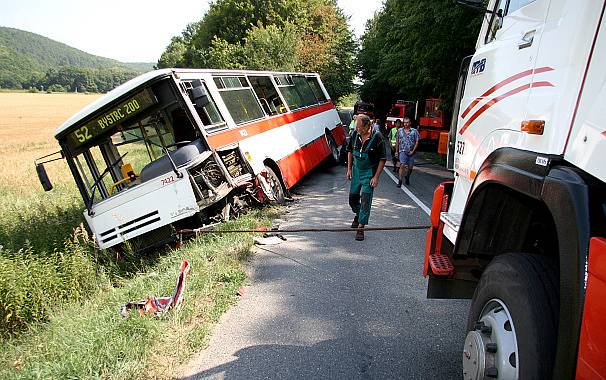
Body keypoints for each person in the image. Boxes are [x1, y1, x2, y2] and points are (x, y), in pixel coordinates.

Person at [346, 114, 387, 241]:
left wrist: (376, 177)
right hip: (356, 171)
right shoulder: (355, 134)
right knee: (352, 199)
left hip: (369, 173)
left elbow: (382, 159)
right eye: (356, 127)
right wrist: (349, 169)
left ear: (367, 125)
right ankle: (359, 215)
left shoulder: (377, 137)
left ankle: (361, 228)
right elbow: (349, 151)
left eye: (359, 127)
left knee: (365, 200)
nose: (357, 129)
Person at [396, 117, 420, 187]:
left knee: (410, 168)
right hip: (402, 150)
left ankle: (407, 176)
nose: (405, 124)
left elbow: (417, 141)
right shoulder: (400, 130)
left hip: (411, 151)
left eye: (407, 122)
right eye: (404, 122)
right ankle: (400, 181)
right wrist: (396, 151)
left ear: (410, 123)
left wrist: (413, 151)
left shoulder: (414, 131)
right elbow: (397, 141)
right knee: (402, 165)